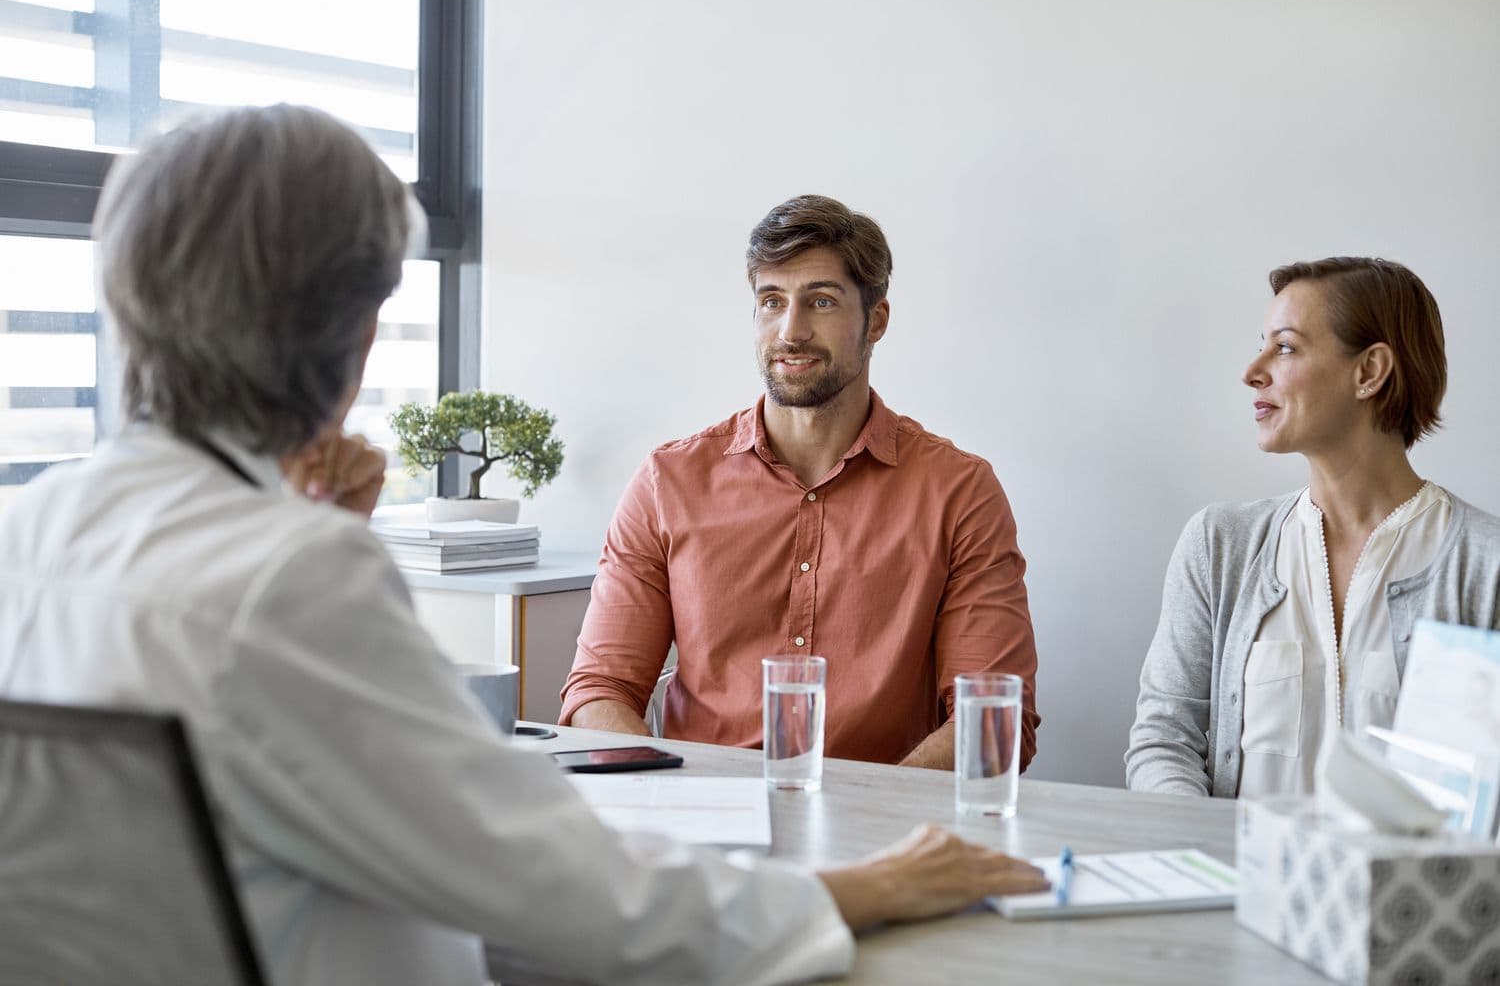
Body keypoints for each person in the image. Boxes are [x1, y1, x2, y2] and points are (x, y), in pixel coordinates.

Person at [0, 106, 1048, 986]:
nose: (791, 326)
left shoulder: (26, 533)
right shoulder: (293, 576)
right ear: (353, 335)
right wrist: (848, 891)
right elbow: (556, 884)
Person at [560, 195, 1040, 771]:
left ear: (876, 321)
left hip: (889, 830)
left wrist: (868, 820)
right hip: (704, 820)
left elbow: (992, 722)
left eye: (821, 301)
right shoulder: (668, 483)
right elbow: (598, 692)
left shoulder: (960, 492)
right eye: (772, 301)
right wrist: (671, 800)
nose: (792, 330)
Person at [1126, 257, 1500, 798]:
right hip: (1234, 880)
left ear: (1369, 372)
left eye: (1284, 347)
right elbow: (1164, 740)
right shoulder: (1219, 545)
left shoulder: (1484, 566)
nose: (1252, 370)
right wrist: (1211, 855)